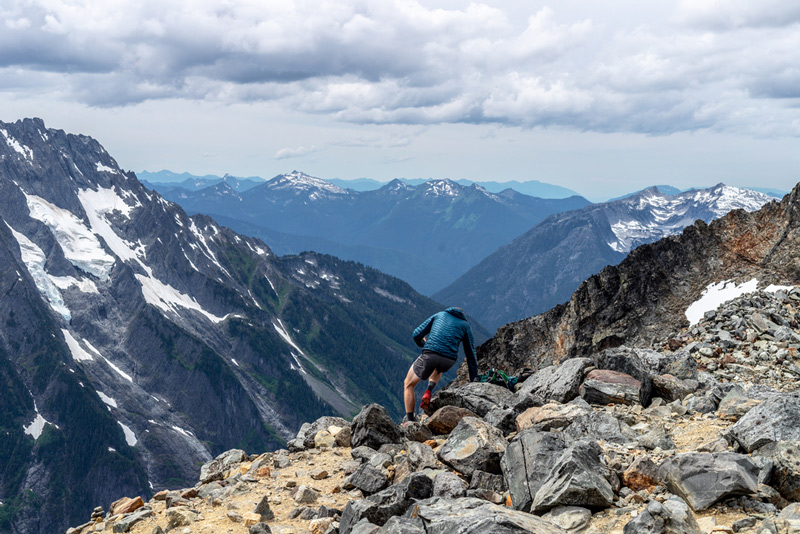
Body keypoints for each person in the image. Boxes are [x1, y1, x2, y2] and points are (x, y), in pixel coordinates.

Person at [403, 306, 478, 424]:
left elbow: (416, 334)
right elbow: (470, 353)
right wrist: (474, 378)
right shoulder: (465, 325)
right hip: (448, 361)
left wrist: (424, 345)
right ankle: (428, 391)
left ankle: (409, 422)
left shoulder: (439, 315)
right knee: (437, 367)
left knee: (408, 384)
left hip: (430, 355)